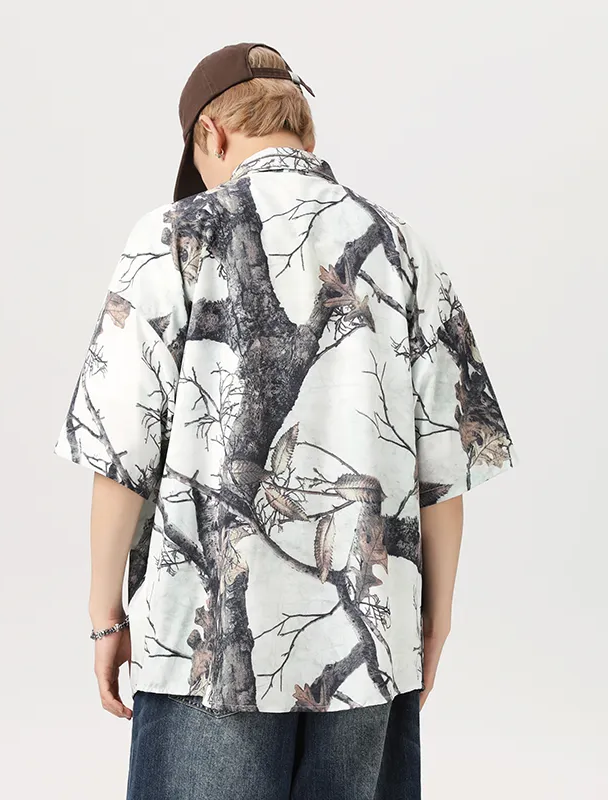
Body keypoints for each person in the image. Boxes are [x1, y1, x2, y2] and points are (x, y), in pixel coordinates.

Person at [53, 41, 516, 800]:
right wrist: (434, 621)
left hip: (209, 648)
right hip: (368, 643)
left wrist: (106, 617)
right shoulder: (404, 249)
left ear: (212, 134)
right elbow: (447, 468)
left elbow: (119, 452)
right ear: (303, 128)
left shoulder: (172, 236)